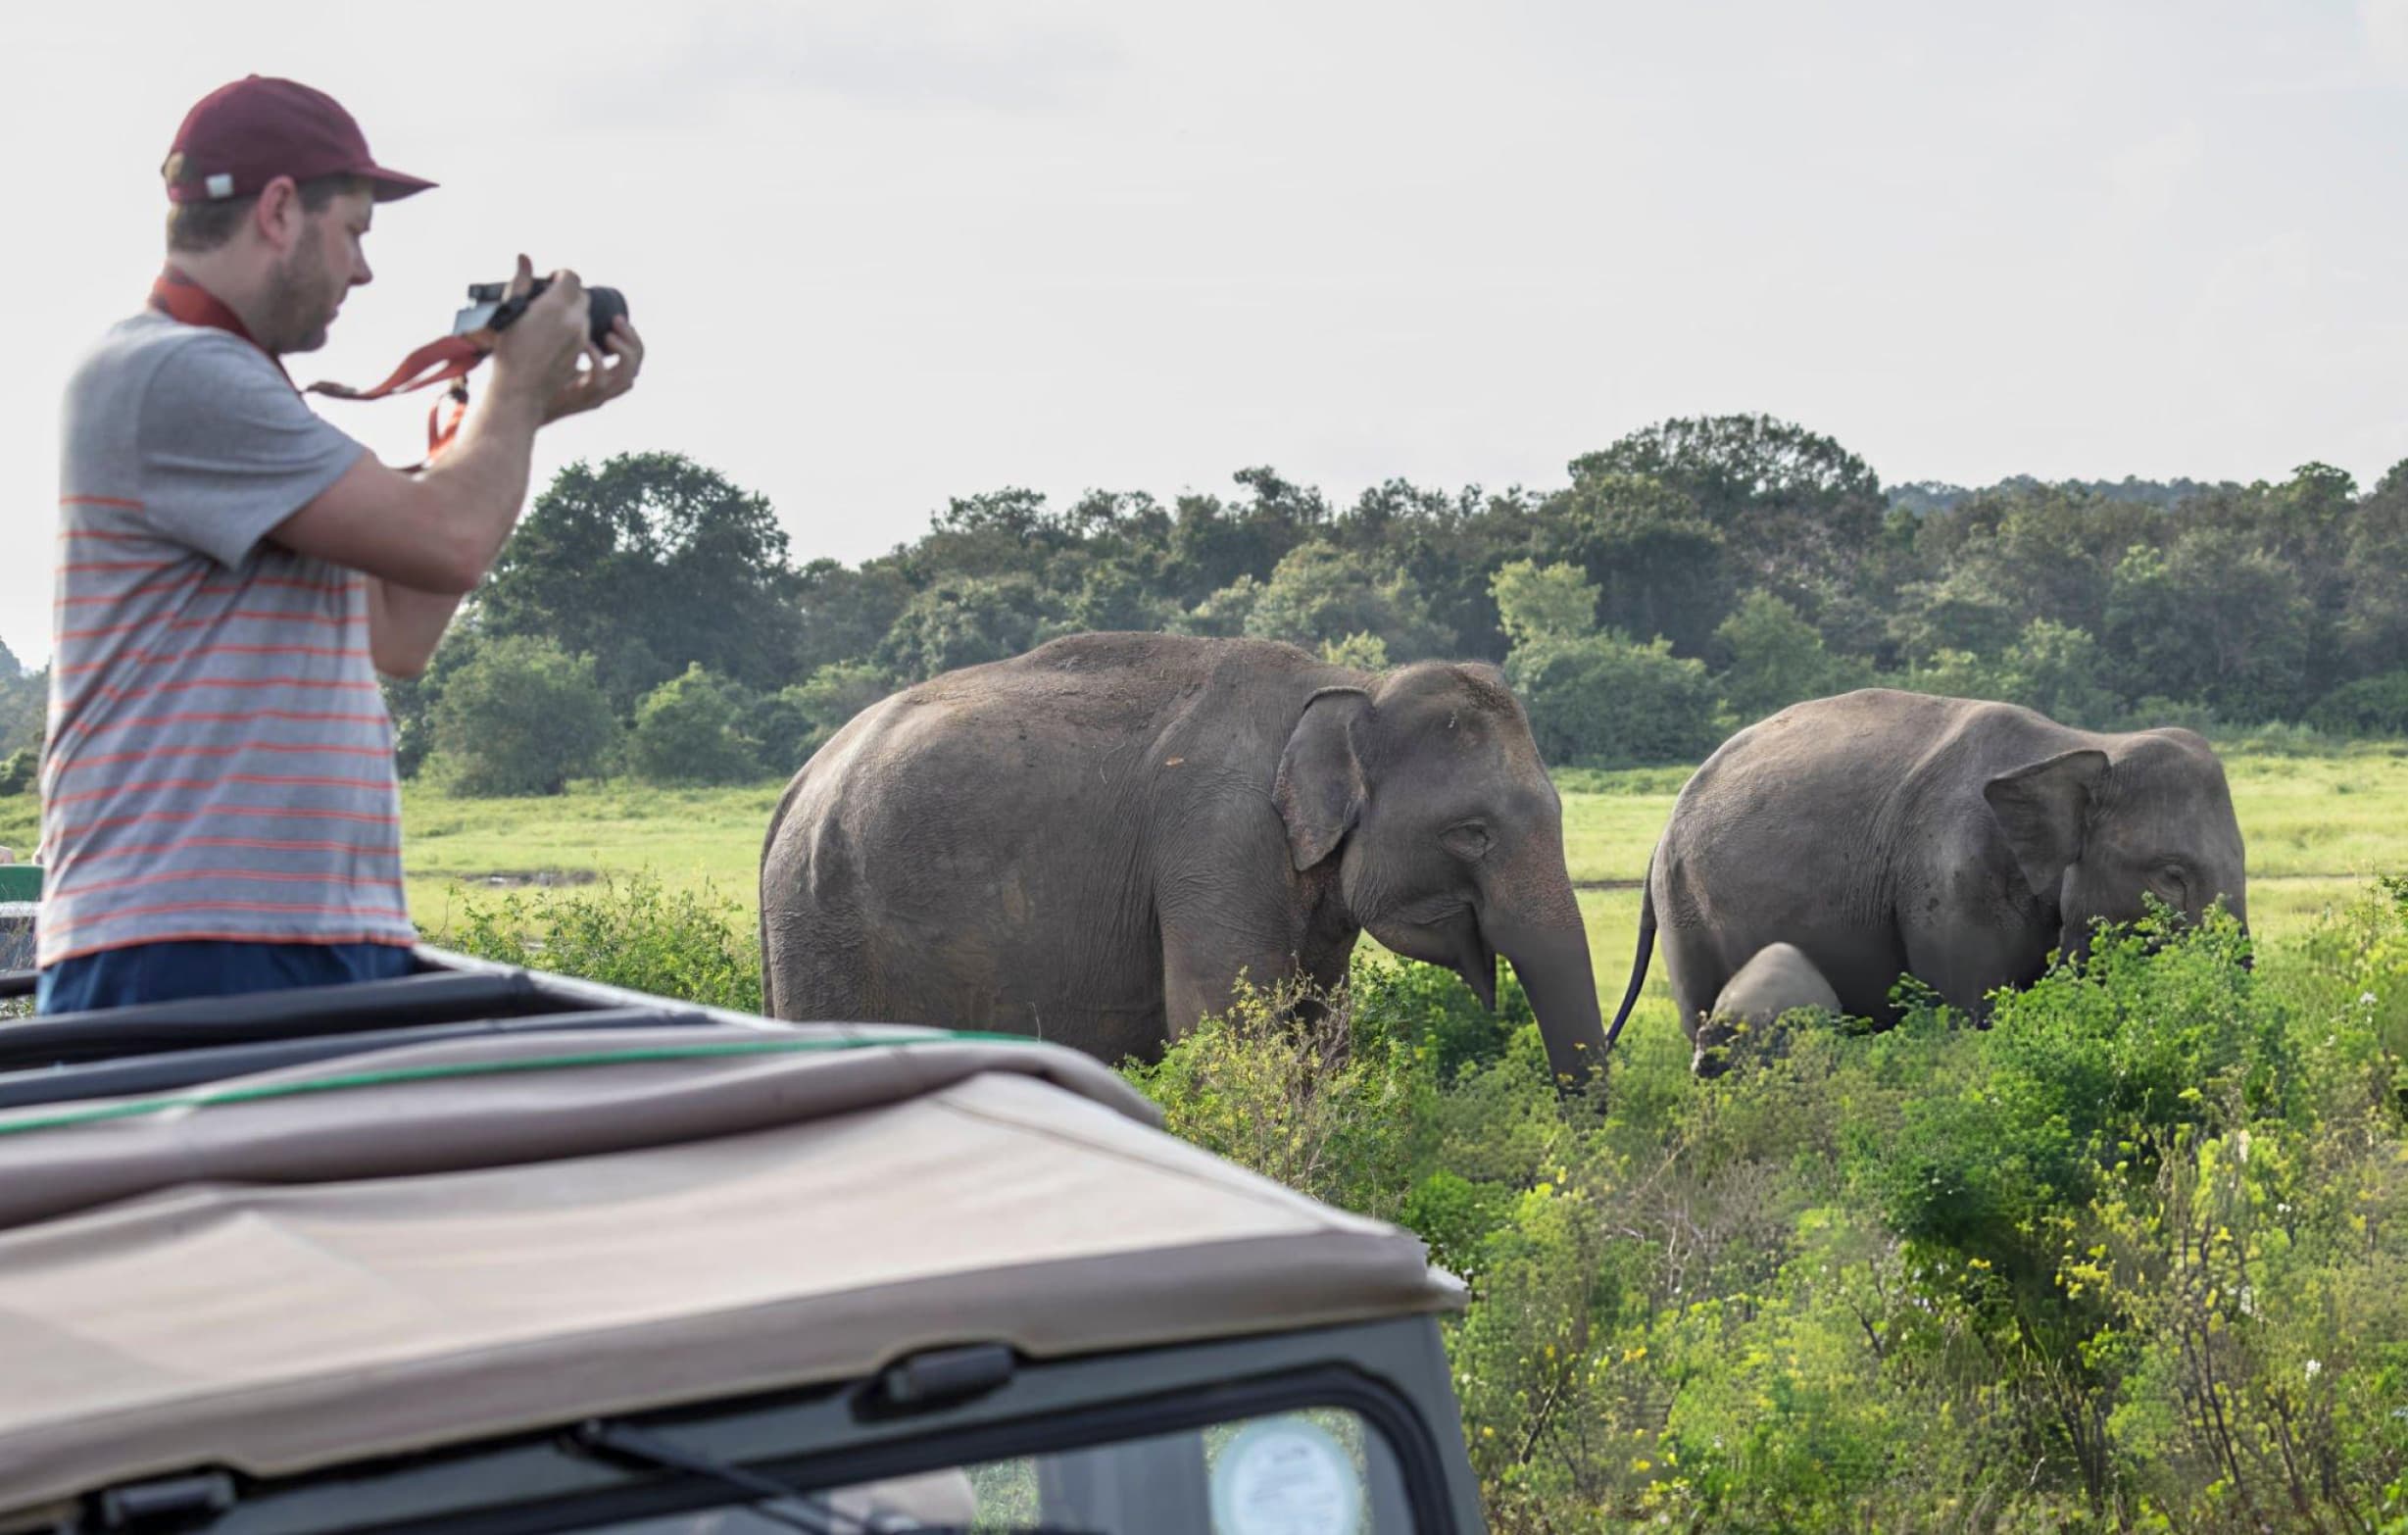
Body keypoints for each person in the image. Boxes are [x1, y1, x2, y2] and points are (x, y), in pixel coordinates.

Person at [36, 75, 644, 1014]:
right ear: (281, 209)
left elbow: (402, 632)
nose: (363, 271)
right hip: (194, 933)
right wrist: (511, 393)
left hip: (296, 927)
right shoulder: (175, 371)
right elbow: (448, 541)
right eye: (355, 230)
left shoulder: (239, 396)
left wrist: (502, 416)